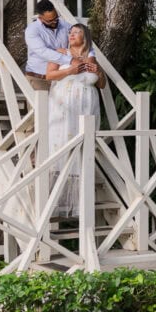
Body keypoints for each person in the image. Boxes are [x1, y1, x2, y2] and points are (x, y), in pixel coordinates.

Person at [44, 23, 105, 217]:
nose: (72, 35)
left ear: (85, 36)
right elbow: (49, 75)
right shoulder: (60, 52)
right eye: (70, 32)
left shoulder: (91, 55)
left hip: (86, 105)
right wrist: (70, 70)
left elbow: (102, 84)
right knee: (60, 143)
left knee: (82, 146)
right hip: (64, 104)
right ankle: (53, 198)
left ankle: (83, 199)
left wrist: (99, 72)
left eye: (77, 32)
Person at [24, 0, 79, 91]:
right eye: (50, 21)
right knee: (41, 105)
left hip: (60, 77)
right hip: (39, 78)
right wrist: (70, 60)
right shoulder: (32, 30)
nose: (54, 22)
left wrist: (72, 51)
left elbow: (80, 39)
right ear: (40, 18)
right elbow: (43, 52)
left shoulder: (65, 25)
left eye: (56, 18)